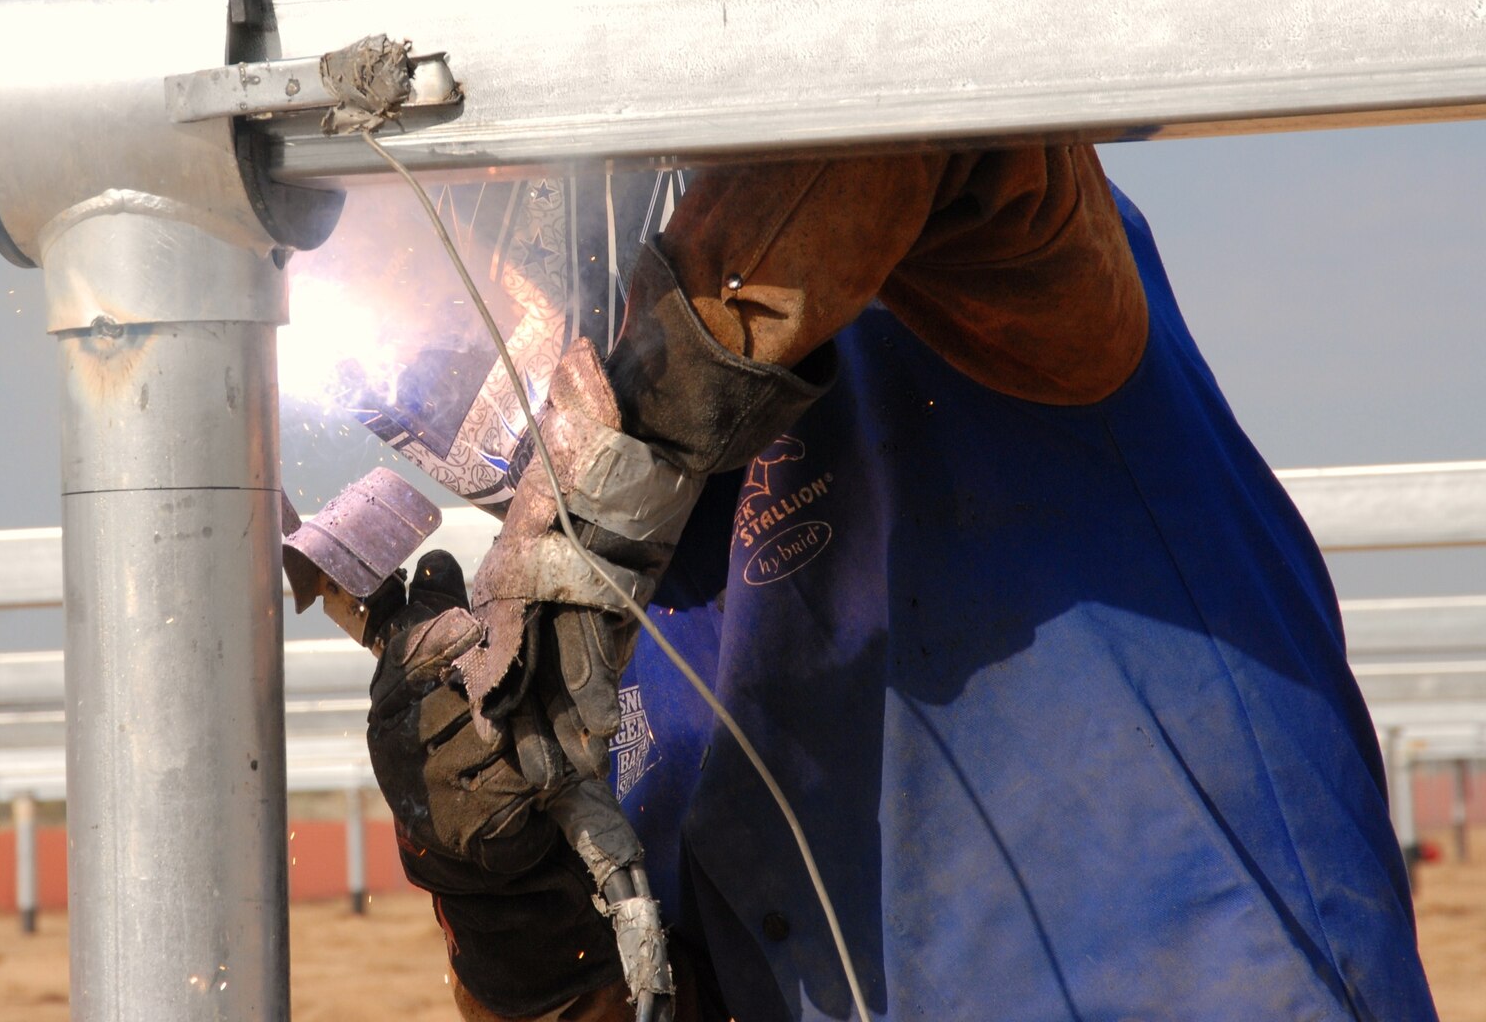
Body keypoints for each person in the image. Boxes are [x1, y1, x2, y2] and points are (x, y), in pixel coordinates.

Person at [361, 145, 1435, 1020]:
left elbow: (923, 100)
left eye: (452, 294)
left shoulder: (936, 295)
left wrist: (637, 430)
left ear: (553, 204)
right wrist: (514, 913)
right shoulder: (588, 630)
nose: (448, 379)